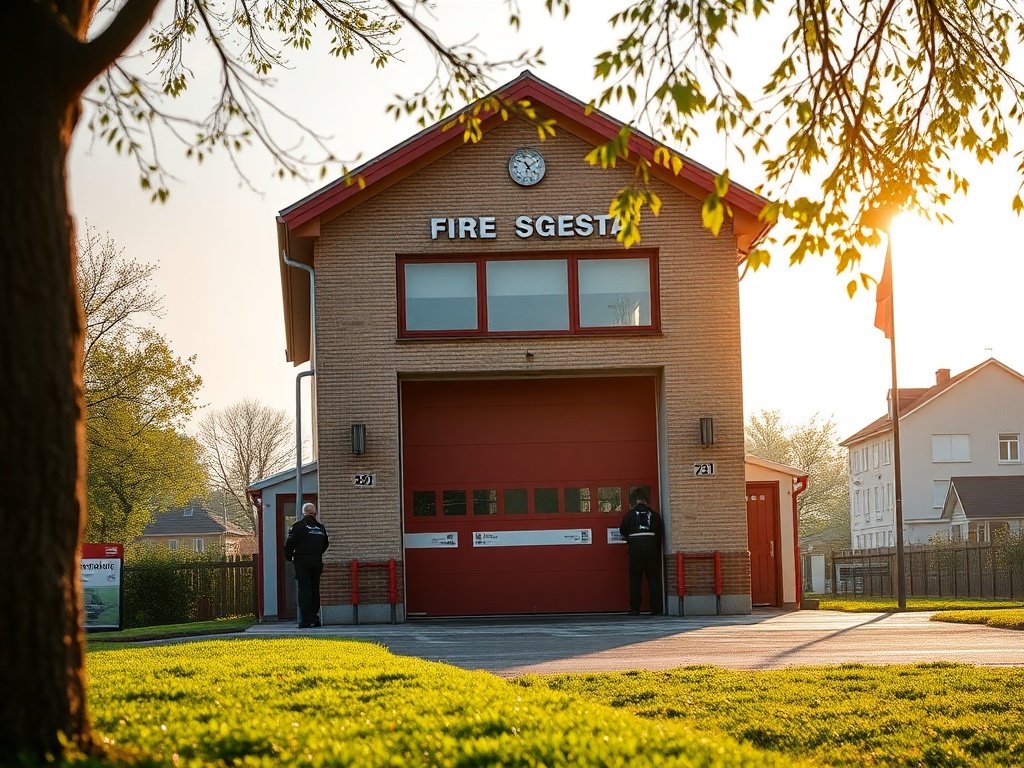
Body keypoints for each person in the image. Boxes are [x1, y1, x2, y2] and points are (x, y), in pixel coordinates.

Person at [283, 501, 330, 628]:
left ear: (304, 513)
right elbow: (325, 544)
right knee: (315, 589)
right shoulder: (321, 528)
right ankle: (315, 618)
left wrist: (289, 557)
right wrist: (317, 554)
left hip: (302, 562)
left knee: (304, 589)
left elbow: (289, 544)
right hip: (316, 561)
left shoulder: (297, 526)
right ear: (314, 513)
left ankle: (305, 620)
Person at [619, 488, 663, 616]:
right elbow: (660, 532)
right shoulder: (654, 515)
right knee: (653, 578)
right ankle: (656, 608)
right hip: (651, 548)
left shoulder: (630, 514)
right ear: (646, 501)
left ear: (634, 501)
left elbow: (622, 531)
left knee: (635, 579)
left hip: (636, 549)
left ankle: (635, 608)